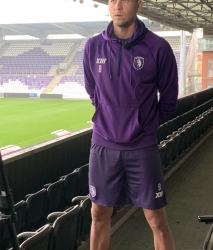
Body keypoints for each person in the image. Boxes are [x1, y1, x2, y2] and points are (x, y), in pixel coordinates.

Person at [83, 0, 178, 249]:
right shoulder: (93, 47)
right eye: (112, 0)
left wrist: (142, 125)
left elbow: (168, 101)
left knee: (156, 219)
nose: (117, 5)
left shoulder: (158, 47)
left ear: (139, 4)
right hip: (103, 145)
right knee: (98, 215)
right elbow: (93, 92)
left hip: (142, 147)